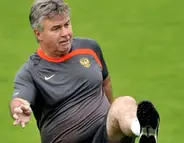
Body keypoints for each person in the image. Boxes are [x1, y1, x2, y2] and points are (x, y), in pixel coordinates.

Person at [9, 0, 160, 143]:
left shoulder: (89, 48)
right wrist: (18, 108)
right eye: (56, 28)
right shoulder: (30, 72)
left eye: (67, 24)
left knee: (124, 102)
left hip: (104, 136)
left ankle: (143, 131)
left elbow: (105, 82)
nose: (65, 33)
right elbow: (20, 98)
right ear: (38, 34)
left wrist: (114, 116)